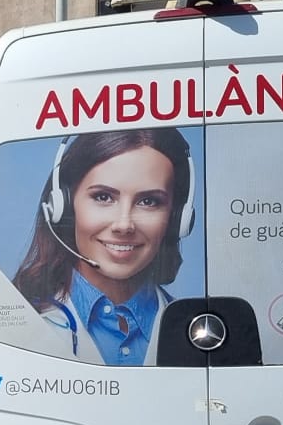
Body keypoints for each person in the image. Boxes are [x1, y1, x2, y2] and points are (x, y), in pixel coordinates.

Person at [10, 128, 193, 365]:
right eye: (104, 197)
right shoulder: (16, 326)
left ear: (177, 218)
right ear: (63, 206)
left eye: (149, 202)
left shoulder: (197, 331)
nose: (124, 225)